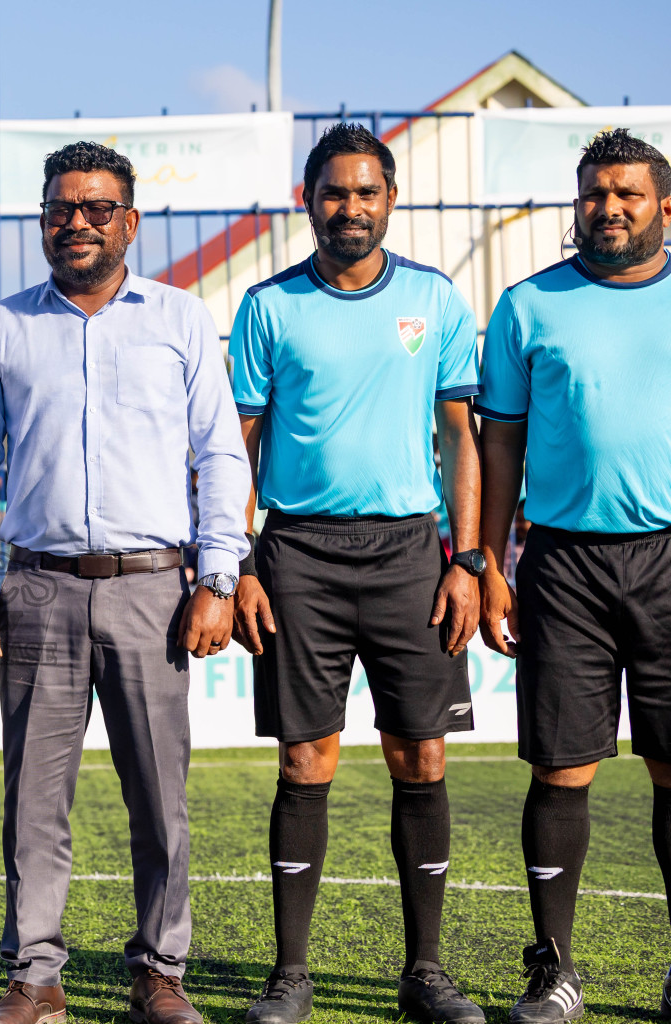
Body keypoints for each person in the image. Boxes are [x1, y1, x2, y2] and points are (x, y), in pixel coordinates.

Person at [0, 140, 249, 1024]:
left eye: (96, 208)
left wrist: (218, 575)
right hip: (36, 587)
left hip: (153, 588)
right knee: (33, 800)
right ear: (43, 221)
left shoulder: (181, 319)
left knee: (159, 797)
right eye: (60, 209)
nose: (76, 222)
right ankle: (35, 977)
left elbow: (220, 452)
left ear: (130, 222)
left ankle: (161, 972)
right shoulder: (2, 326)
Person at [229, 123, 485, 1024]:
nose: (350, 207)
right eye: (334, 192)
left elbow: (461, 437)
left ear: (390, 199)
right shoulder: (267, 306)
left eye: (366, 191)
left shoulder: (433, 298)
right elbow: (238, 446)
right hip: (297, 555)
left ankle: (426, 971)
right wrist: (240, 562)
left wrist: (468, 559)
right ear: (307, 202)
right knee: (307, 758)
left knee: (421, 753)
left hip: (412, 554)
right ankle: (290, 975)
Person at [476, 128, 671, 1023]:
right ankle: (553, 971)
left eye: (628, 193)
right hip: (563, 564)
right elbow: (500, 446)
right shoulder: (528, 306)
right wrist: (490, 563)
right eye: (596, 193)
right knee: (561, 772)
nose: (610, 208)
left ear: (663, 205)